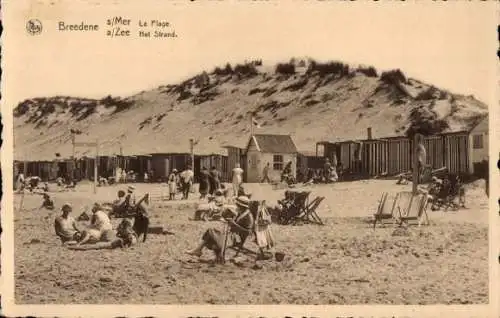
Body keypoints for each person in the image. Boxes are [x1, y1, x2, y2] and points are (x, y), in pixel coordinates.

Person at [186, 196, 254, 262]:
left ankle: (198, 250)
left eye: (238, 205)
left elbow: (248, 232)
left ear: (242, 206)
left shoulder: (248, 216)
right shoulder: (242, 213)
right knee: (211, 234)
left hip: (236, 239)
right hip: (232, 235)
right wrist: (225, 220)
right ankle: (199, 251)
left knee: (210, 232)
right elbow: (234, 224)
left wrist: (234, 224)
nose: (237, 207)